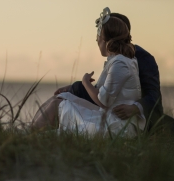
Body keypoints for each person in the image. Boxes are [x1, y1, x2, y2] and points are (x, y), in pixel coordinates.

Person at [53, 10, 174, 134]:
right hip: (113, 115)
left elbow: (153, 98)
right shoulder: (114, 58)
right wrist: (73, 87)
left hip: (138, 121)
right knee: (66, 97)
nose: (98, 40)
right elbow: (103, 90)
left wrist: (135, 108)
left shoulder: (141, 58)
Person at [31, 8, 145, 137]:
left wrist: (86, 82)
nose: (97, 41)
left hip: (116, 126)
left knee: (59, 106)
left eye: (99, 38)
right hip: (113, 119)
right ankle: (31, 134)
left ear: (107, 40)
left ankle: (30, 135)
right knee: (61, 100)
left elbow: (104, 101)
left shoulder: (120, 63)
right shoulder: (122, 60)